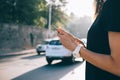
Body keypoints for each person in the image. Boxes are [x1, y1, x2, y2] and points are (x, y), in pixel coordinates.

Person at [57, 0, 120, 80]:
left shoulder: (114, 4)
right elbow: (104, 50)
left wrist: (77, 49)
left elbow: (117, 66)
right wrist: (81, 47)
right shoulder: (106, 7)